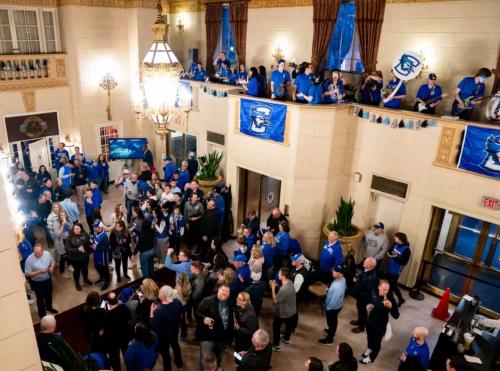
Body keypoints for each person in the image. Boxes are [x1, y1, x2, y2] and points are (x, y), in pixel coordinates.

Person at [359, 280, 399, 365]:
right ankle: (370, 348)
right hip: (370, 322)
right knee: (370, 337)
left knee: (377, 342)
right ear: (379, 287)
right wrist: (368, 306)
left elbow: (396, 315)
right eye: (383, 289)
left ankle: (371, 358)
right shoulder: (374, 292)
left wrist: (391, 306)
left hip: (380, 325)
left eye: (387, 290)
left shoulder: (390, 298)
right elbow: (368, 302)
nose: (385, 292)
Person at [197, 284, 234, 370]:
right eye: (223, 290)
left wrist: (229, 338)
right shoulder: (207, 300)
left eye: (227, 291)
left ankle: (216, 367)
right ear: (218, 290)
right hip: (208, 336)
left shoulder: (230, 303)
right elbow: (198, 313)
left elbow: (231, 319)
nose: (224, 293)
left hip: (221, 337)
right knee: (205, 359)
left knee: (218, 357)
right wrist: (204, 318)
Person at [149, 285, 184, 371]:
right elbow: (181, 314)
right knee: (176, 346)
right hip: (175, 331)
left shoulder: (158, 311)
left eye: (160, 292)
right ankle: (179, 363)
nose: (159, 293)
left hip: (163, 336)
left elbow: (153, 325)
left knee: (165, 354)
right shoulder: (177, 302)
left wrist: (151, 313)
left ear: (163, 295)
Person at [24, 243, 57, 318]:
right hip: (37, 282)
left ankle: (49, 308)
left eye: (39, 252)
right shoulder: (29, 260)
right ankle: (42, 314)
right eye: (36, 252)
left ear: (43, 251)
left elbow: (52, 261)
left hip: (47, 280)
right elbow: (27, 274)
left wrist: (51, 267)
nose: (37, 254)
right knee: (40, 299)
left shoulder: (47, 253)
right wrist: (39, 272)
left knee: (49, 295)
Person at [319, 265, 347, 345]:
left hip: (333, 308)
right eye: (334, 270)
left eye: (335, 271)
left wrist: (327, 308)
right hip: (337, 305)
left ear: (341, 274)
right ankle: (331, 330)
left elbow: (334, 301)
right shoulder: (342, 279)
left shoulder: (337, 287)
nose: (333, 271)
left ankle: (329, 339)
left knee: (332, 322)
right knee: (332, 322)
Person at [104, 292, 131, 371]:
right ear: (117, 300)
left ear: (108, 302)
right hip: (124, 336)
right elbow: (129, 317)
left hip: (113, 341)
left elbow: (106, 330)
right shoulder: (124, 307)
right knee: (127, 355)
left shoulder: (107, 315)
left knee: (115, 359)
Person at [270, 267, 296, 351]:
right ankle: (286, 339)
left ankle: (276, 345)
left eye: (279, 273)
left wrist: (273, 288)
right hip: (292, 311)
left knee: (276, 327)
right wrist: (278, 286)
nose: (278, 274)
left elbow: (275, 302)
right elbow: (283, 290)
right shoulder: (290, 282)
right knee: (288, 327)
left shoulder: (283, 290)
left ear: (283, 276)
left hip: (283, 313)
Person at [350, 257, 378, 334]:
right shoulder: (367, 270)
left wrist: (359, 295)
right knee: (359, 309)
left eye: (365, 263)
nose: (363, 263)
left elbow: (368, 291)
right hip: (360, 296)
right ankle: (359, 321)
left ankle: (361, 327)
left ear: (370, 266)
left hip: (364, 298)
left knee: (363, 312)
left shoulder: (372, 277)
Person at [65, 223, 92, 290]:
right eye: (75, 229)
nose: (76, 230)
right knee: (77, 271)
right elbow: (68, 249)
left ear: (81, 229)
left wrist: (91, 242)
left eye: (78, 229)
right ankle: (77, 283)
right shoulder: (69, 238)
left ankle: (85, 279)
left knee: (85, 269)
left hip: (84, 257)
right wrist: (78, 249)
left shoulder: (85, 234)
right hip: (75, 259)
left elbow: (88, 242)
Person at [387, 232, 411, 307]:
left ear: (400, 239)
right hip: (390, 267)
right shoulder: (395, 244)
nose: (395, 238)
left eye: (396, 237)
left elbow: (404, 262)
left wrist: (394, 256)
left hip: (396, 270)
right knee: (392, 285)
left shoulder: (407, 250)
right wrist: (390, 253)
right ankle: (401, 299)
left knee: (391, 287)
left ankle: (392, 304)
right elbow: (390, 250)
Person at [92, 220, 110, 291]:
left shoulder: (104, 236)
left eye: (95, 227)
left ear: (100, 227)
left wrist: (96, 247)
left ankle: (107, 281)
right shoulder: (96, 233)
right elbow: (95, 241)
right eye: (94, 226)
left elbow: (105, 248)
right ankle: (102, 277)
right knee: (97, 266)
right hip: (96, 254)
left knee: (104, 269)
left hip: (102, 256)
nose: (94, 228)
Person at [174, 272, 192, 341]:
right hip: (185, 305)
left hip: (178, 306)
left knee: (179, 321)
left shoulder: (176, 291)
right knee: (183, 321)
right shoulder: (189, 286)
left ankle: (181, 335)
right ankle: (184, 334)